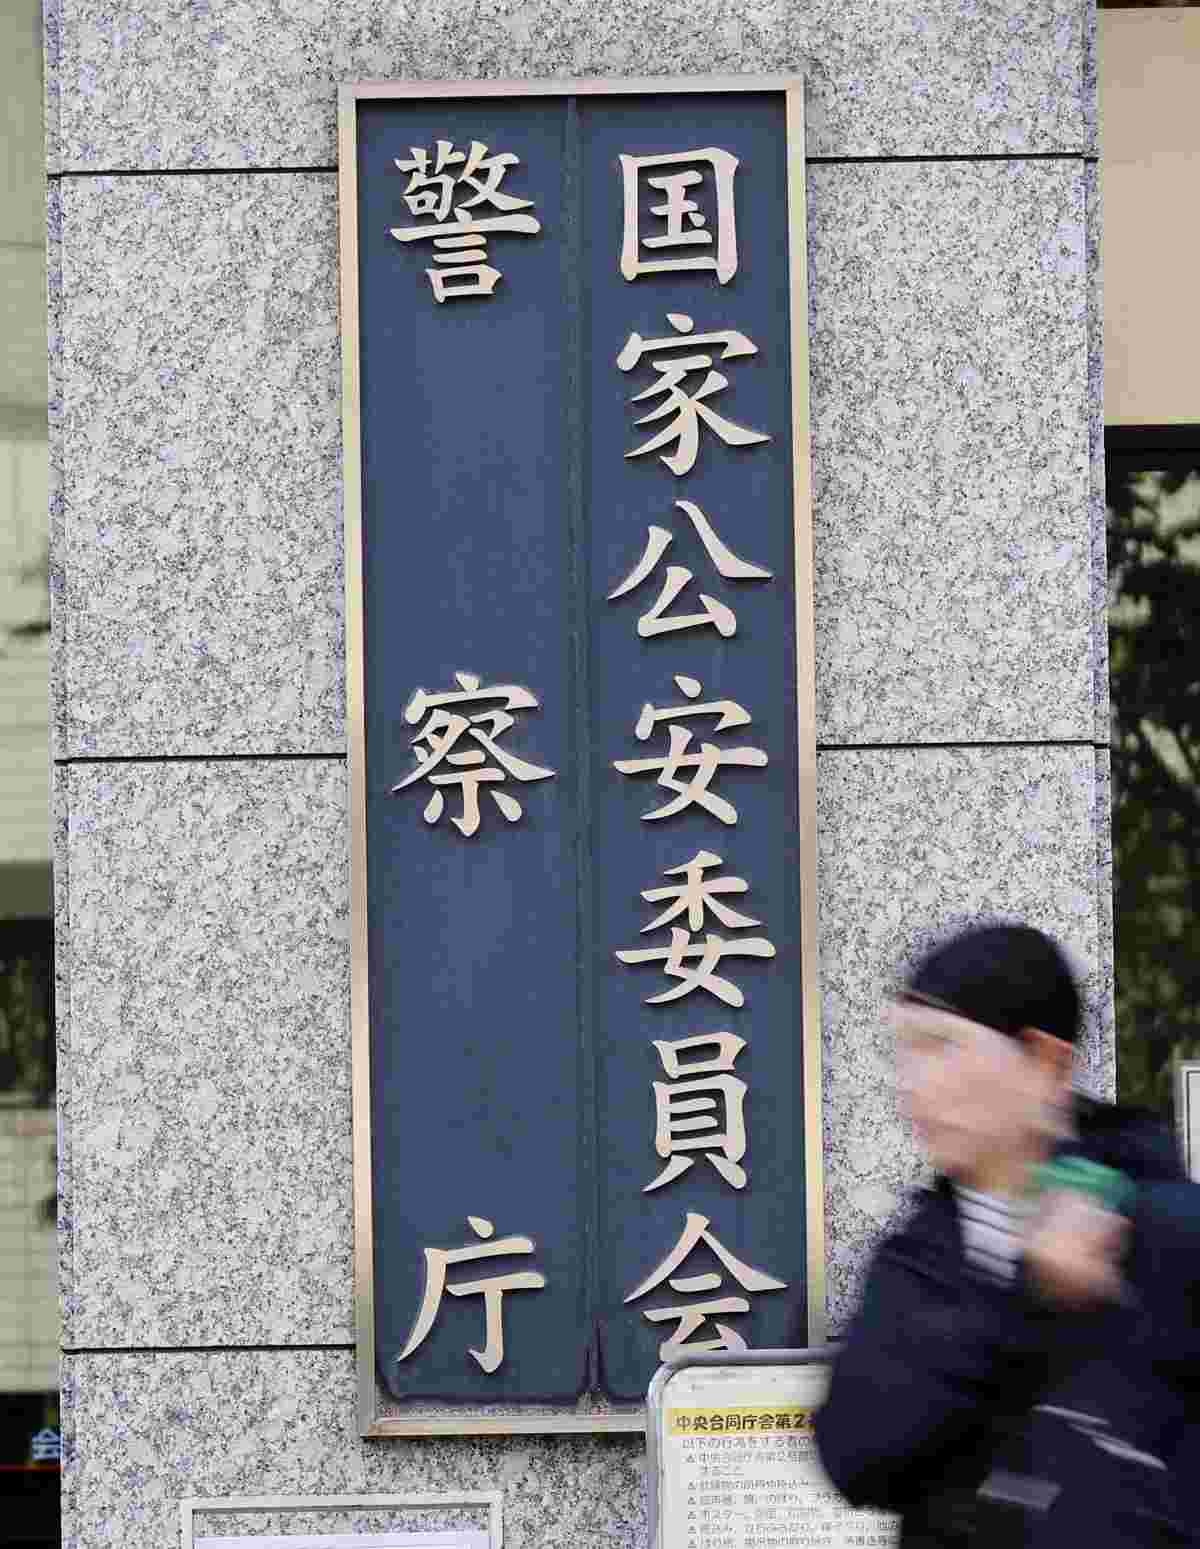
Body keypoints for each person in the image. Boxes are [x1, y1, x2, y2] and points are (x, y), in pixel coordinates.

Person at [813, 922, 1200, 1549]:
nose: (911, 1083)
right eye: (903, 1052)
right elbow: (856, 1458)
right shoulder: (916, 1258)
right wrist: (1024, 1295)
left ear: (1046, 1062)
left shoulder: (1167, 1229)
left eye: (941, 1046)